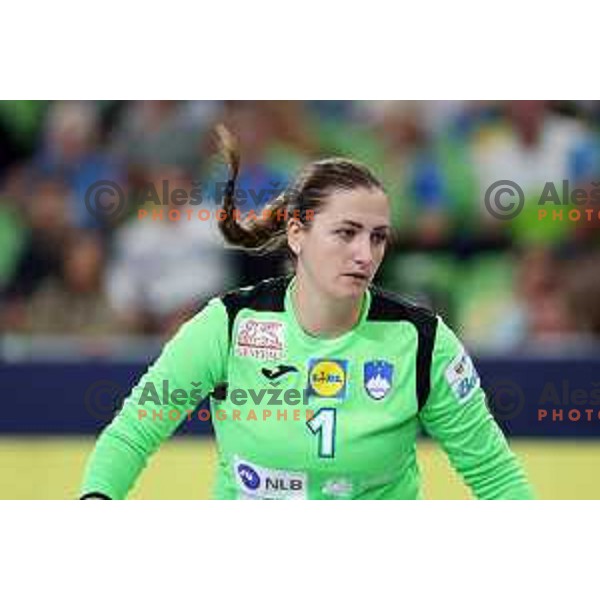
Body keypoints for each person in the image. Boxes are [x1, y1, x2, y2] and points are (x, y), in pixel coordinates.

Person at [80, 125, 534, 500]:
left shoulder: (422, 341)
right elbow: (131, 434)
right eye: (347, 232)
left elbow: (495, 476)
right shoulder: (229, 324)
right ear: (297, 235)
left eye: (378, 237)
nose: (365, 254)